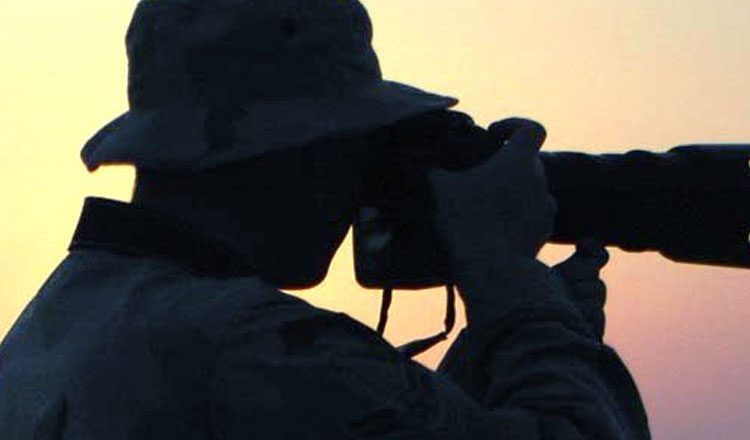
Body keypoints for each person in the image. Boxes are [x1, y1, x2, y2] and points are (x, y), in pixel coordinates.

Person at [0, 0, 650, 438]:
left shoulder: (60, 319)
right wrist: (512, 282)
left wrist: (515, 336)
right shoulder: (249, 345)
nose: (361, 179)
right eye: (355, 145)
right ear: (298, 148)